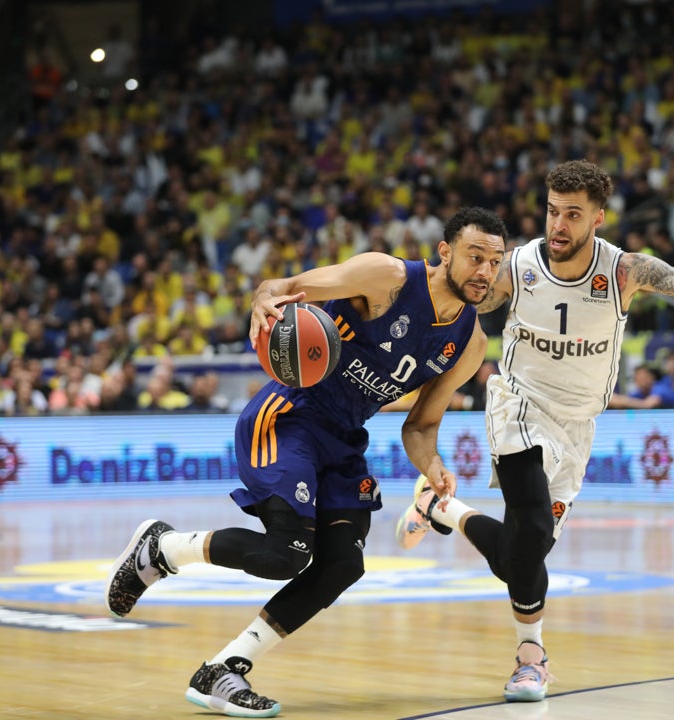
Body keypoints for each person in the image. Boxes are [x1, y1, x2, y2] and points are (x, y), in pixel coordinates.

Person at [394, 160, 674, 704]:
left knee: (523, 554)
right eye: (552, 211)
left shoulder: (624, 271)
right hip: (517, 405)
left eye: (572, 215)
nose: (558, 225)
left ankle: (441, 510)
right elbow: (453, 290)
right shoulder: (518, 266)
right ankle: (532, 659)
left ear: (597, 218)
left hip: (577, 426)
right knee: (527, 528)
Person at [103, 207, 507, 716]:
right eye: (475, 257)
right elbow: (281, 286)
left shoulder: (469, 343)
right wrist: (263, 302)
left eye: (495, 261)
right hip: (290, 416)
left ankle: (223, 669)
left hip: (343, 440)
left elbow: (421, 426)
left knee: (342, 564)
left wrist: (433, 467)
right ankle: (164, 548)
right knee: (287, 552)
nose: (485, 272)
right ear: (445, 251)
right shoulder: (386, 276)